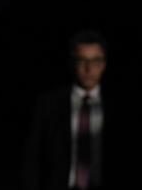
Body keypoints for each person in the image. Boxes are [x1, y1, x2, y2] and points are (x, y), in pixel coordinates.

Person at [22, 30, 123, 190]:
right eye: (82, 60)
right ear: (72, 62)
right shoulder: (48, 104)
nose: (89, 68)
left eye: (95, 61)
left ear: (104, 64)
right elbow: (32, 158)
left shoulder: (118, 105)